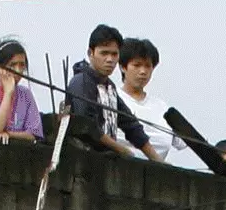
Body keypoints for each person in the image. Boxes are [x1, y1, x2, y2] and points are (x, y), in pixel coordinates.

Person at [66, 23, 151, 158]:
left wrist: (157, 159)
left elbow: (130, 124)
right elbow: (88, 127)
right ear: (90, 53)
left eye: (114, 54)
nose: (110, 59)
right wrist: (121, 150)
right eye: (104, 53)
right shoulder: (81, 82)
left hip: (105, 163)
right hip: (81, 162)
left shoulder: (109, 86)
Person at [114, 36, 176, 164]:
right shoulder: (110, 97)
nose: (143, 71)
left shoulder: (162, 108)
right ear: (122, 67)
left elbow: (186, 141)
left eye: (148, 66)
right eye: (136, 65)